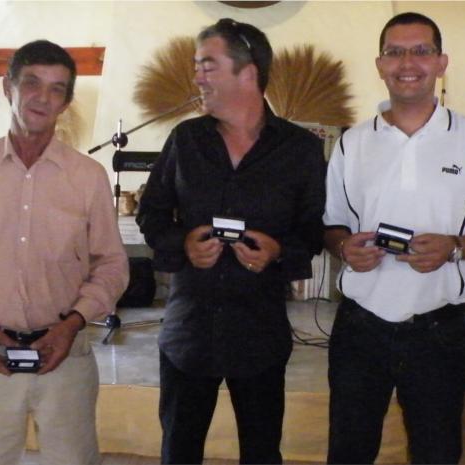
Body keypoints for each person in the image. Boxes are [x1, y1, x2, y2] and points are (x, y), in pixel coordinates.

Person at [323, 12, 465, 464]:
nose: (407, 63)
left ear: (441, 62)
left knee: (437, 452)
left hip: (439, 330)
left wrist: (456, 248)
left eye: (421, 51)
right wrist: (342, 247)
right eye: (395, 52)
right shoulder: (352, 143)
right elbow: (332, 224)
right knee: (348, 451)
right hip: (360, 328)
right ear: (380, 64)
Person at [136, 18, 326, 464]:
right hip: (189, 333)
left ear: (248, 72)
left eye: (208, 65)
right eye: (196, 66)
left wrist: (278, 253)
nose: (197, 77)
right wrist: (183, 244)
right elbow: (151, 213)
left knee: (261, 453)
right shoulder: (186, 140)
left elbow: (313, 230)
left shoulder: (300, 149)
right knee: (178, 451)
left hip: (260, 333)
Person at [0, 40, 129, 465]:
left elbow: (112, 265)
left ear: (66, 102)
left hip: (66, 356)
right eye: (32, 83)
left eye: (57, 89)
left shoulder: (88, 177)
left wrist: (73, 323)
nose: (43, 97)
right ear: (8, 88)